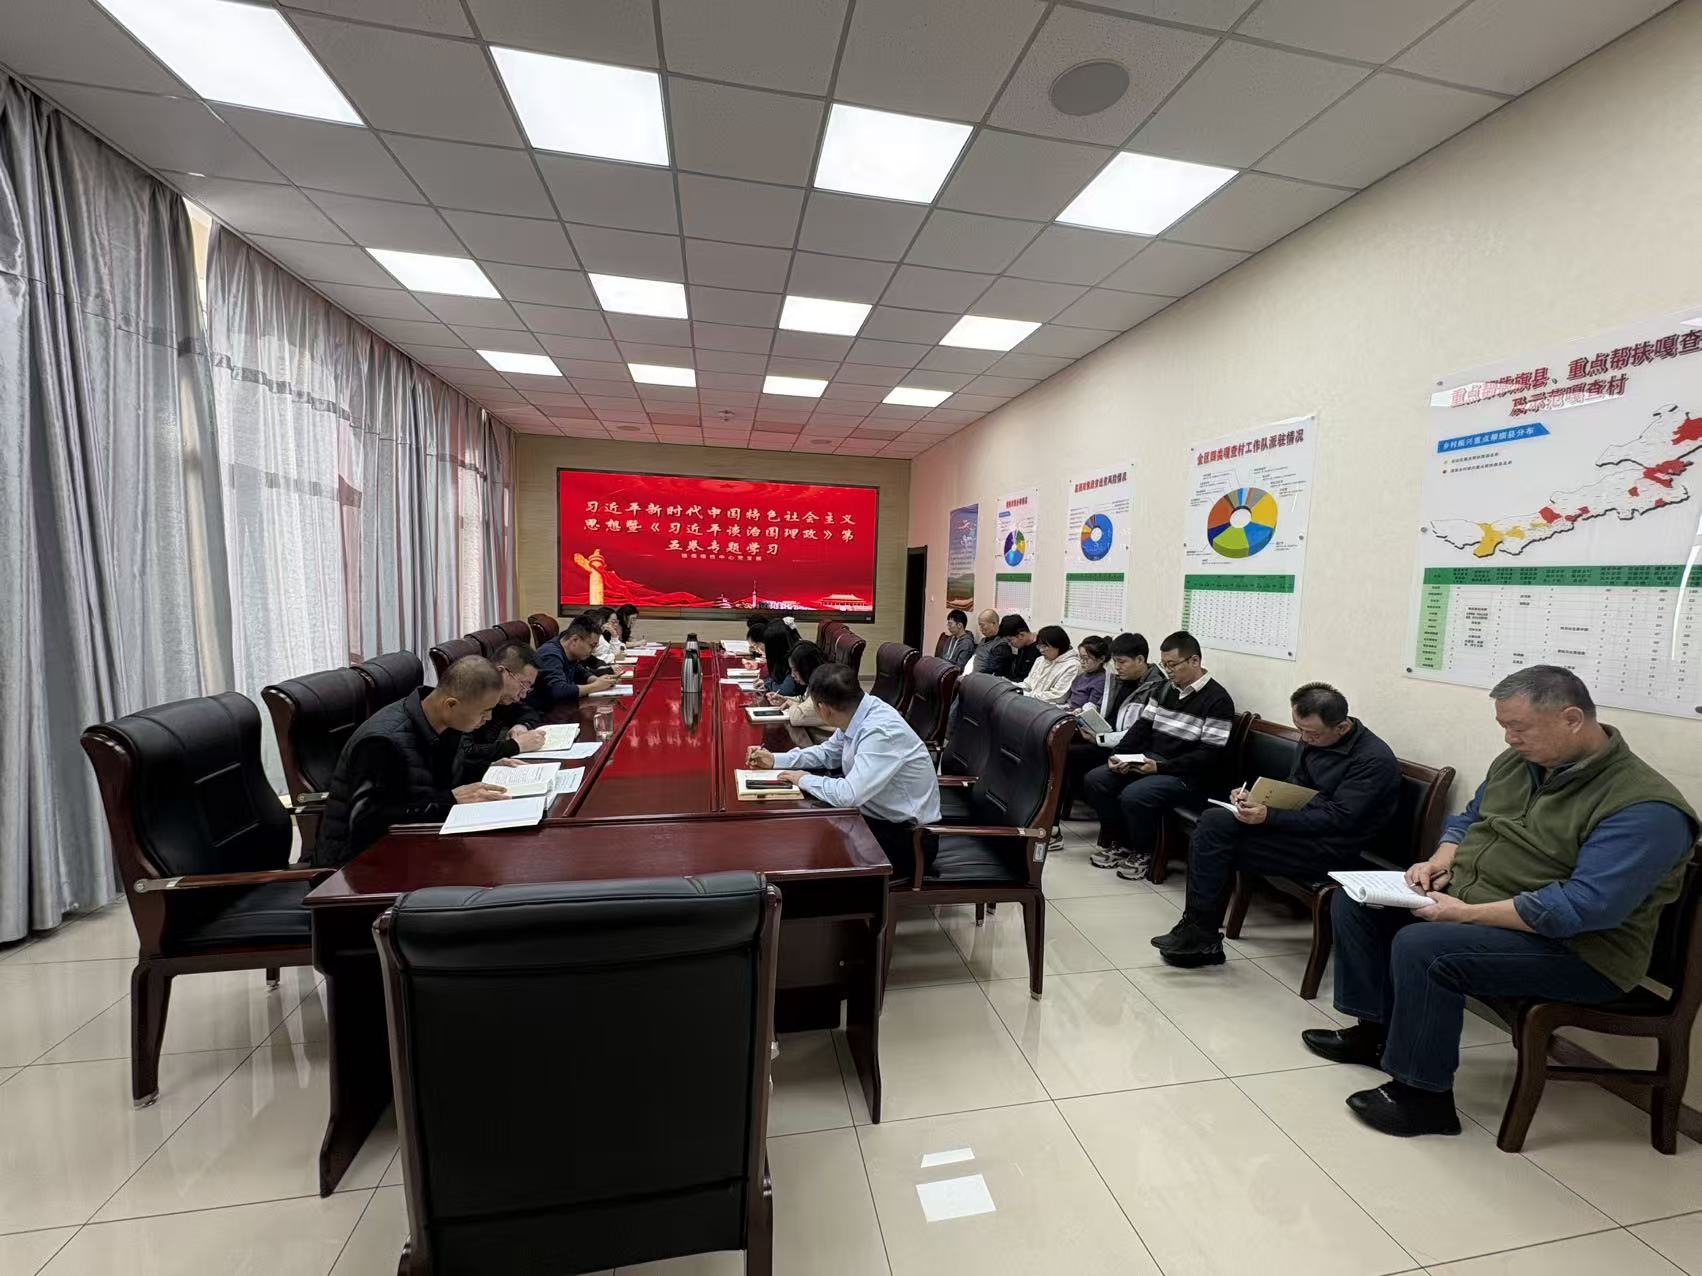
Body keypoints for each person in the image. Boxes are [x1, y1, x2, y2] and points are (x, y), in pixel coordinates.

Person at [1301, 666, 1696, 1137]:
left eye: (1519, 727)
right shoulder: (1518, 763)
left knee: (1425, 948)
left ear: (1572, 719)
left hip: (1582, 951)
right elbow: (1470, 819)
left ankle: (1423, 1098)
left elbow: (1582, 908)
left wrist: (1464, 914)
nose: (1509, 739)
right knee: (1357, 904)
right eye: (1504, 727)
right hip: (1485, 907)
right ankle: (1374, 1033)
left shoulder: (1645, 807)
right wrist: (1440, 859)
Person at [1151, 682, 1400, 967]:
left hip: (1335, 848)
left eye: (1312, 734)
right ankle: (1198, 930)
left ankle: (1200, 935)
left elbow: (1340, 818)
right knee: (1214, 820)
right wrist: (1255, 798)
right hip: (1301, 831)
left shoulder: (1373, 760)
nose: (1304, 739)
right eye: (1299, 729)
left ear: (1342, 727)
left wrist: (1268, 816)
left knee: (1214, 846)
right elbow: (1297, 786)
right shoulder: (1313, 739)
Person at [746, 663, 940, 877]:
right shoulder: (857, 712)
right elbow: (827, 753)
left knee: (811, 851)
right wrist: (775, 759)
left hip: (907, 839)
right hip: (873, 815)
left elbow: (849, 795)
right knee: (808, 826)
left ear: (823, 709)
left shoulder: (880, 732)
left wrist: (803, 779)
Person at [315, 656, 512, 866]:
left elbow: (435, 778)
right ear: (451, 705)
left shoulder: (444, 723)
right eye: (484, 711)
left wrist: (488, 768)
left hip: (417, 844)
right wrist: (448, 800)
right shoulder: (382, 742)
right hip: (357, 866)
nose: (488, 718)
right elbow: (368, 823)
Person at [1083, 631, 1235, 880]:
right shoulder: (1164, 689)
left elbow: (1210, 755)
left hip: (1189, 775)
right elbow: (1141, 728)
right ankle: (1121, 842)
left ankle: (1144, 851)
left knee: (1135, 795)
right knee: (1097, 779)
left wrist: (1161, 768)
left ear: (1194, 661)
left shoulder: (1218, 700)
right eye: (1164, 665)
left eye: (1172, 665)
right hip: (1152, 761)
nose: (1168, 671)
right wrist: (1118, 755)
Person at [1054, 632, 1169, 849]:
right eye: (1115, 662)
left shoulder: (1156, 687)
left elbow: (1138, 733)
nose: (1117, 667)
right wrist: (1089, 717)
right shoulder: (1116, 680)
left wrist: (1101, 738)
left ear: (1140, 659)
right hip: (1108, 739)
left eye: (1122, 662)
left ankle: (1112, 836)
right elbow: (1108, 712)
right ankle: (1051, 825)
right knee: (1061, 753)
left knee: (1076, 762)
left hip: (1130, 748)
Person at [529, 616, 619, 708]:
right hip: (545, 711)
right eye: (592, 645)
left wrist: (597, 680)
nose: (593, 650)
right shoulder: (550, 654)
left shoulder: (569, 650)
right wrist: (596, 686)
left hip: (564, 707)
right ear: (575, 640)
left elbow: (580, 672)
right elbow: (559, 691)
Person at [767, 641, 831, 738]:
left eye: (794, 670)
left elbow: (797, 717)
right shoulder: (815, 681)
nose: (792, 675)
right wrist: (784, 700)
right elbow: (804, 700)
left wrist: (791, 704)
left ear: (806, 668)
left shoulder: (823, 686)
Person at [1021, 625, 1082, 705]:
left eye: (1044, 646)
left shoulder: (1072, 666)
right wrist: (1012, 686)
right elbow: (1028, 684)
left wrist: (1027, 695)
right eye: (1039, 646)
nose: (1041, 650)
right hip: (1030, 701)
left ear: (1058, 646)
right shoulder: (1040, 660)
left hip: (1049, 707)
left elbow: (1058, 697)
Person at [1064, 635, 1109, 710]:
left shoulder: (1100, 681)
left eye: (1086, 658)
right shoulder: (1083, 674)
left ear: (1101, 659)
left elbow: (1090, 710)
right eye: (1080, 657)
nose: (1081, 661)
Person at [757, 620, 800, 693]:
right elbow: (777, 679)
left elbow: (786, 690)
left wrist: (768, 685)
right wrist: (765, 682)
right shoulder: (781, 660)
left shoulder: (793, 659)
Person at [965, 608, 1002, 673]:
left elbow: (991, 671)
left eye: (982, 625)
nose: (980, 629)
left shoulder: (1000, 645)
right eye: (979, 625)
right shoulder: (983, 640)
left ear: (993, 623)